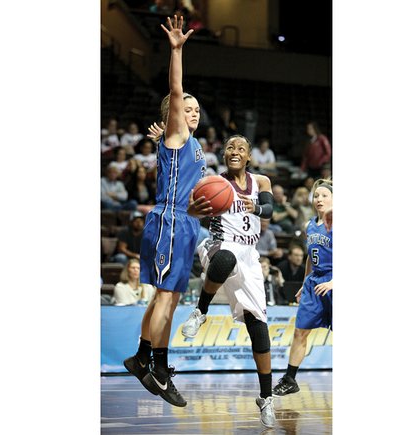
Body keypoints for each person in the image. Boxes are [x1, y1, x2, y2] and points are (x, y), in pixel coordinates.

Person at [123, 15, 211, 409]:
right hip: (170, 222)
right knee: (164, 297)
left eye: (195, 108)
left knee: (168, 299)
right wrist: (176, 51)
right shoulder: (178, 132)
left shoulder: (191, 145)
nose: (191, 111)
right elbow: (175, 91)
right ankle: (154, 365)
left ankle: (147, 359)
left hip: (186, 225)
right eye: (186, 108)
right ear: (174, 115)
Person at [180, 135, 277, 428]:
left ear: (248, 156)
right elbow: (190, 209)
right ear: (223, 155)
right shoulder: (213, 182)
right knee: (225, 260)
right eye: (230, 148)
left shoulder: (261, 182)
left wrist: (255, 207)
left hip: (251, 255)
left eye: (241, 148)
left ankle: (266, 397)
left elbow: (270, 211)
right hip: (220, 244)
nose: (235, 152)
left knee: (258, 326)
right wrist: (194, 211)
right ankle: (200, 312)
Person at [273, 179, 333, 397]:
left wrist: (333, 282)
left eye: (324, 195)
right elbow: (311, 256)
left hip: (333, 281)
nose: (319, 199)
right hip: (315, 283)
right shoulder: (310, 225)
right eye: (316, 196)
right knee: (300, 332)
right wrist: (304, 282)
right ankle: (290, 379)